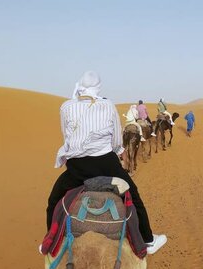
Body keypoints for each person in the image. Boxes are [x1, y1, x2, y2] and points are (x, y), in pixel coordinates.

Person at [47, 71, 167, 254]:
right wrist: (119, 151)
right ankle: (148, 240)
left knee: (54, 200)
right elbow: (117, 140)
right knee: (134, 196)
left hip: (77, 168)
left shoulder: (66, 107)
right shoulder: (108, 105)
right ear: (98, 88)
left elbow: (67, 137)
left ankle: (50, 242)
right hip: (106, 165)